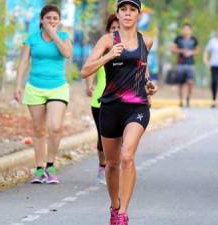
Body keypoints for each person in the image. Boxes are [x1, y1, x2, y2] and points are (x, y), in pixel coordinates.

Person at [80, 0, 157, 224]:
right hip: (111, 107)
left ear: (139, 15)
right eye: (123, 9)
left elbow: (144, 72)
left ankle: (123, 213)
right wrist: (108, 55)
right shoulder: (107, 40)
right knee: (112, 163)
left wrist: (150, 85)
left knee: (127, 156)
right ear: (117, 13)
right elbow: (85, 70)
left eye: (132, 10)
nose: (127, 13)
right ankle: (114, 206)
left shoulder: (146, 41)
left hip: (138, 107)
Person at [14, 5, 73, 184]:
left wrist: (53, 34)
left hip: (58, 87)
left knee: (55, 127)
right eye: (48, 18)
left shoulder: (63, 37)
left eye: (55, 18)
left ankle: (51, 165)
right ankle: (39, 169)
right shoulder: (31, 39)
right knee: (39, 129)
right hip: (35, 87)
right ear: (41, 20)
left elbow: (67, 54)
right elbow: (24, 63)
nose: (52, 21)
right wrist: (18, 85)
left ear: (59, 21)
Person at [85, 14, 120, 185]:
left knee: (119, 138)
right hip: (100, 100)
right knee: (102, 137)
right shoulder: (103, 50)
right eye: (113, 28)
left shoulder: (133, 49)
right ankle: (102, 165)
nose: (116, 31)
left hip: (121, 101)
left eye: (118, 27)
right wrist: (89, 85)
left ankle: (115, 167)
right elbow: (89, 68)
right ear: (108, 31)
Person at [172, 23, 200, 107]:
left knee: (190, 82)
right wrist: (182, 51)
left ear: (190, 30)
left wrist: (191, 52)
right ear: (182, 30)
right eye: (184, 29)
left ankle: (188, 98)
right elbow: (173, 49)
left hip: (190, 64)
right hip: (180, 64)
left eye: (187, 29)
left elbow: (198, 51)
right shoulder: (178, 39)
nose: (186, 31)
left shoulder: (194, 39)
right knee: (180, 83)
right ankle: (181, 100)